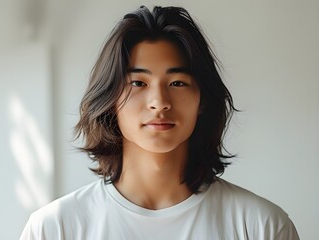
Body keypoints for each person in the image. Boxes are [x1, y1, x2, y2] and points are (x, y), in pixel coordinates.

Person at [20, 6, 299, 239]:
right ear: (110, 100)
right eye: (138, 83)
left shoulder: (263, 226)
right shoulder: (54, 228)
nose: (159, 102)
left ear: (202, 100)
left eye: (177, 82)